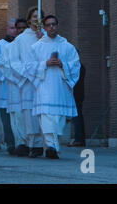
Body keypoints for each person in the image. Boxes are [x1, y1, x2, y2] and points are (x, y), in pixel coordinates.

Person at [27, 15, 80, 159]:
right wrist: (45, 64)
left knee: (57, 120)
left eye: (54, 24)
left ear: (58, 26)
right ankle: (52, 148)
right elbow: (29, 67)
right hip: (44, 88)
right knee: (46, 118)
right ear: (44, 28)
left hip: (60, 89)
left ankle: (52, 145)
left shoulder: (67, 46)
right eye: (48, 25)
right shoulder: (36, 47)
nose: (51, 27)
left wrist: (63, 65)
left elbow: (76, 65)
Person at [4, 8, 45, 158]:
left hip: (43, 81)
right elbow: (14, 61)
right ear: (29, 19)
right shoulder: (21, 39)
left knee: (43, 113)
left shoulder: (46, 37)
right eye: (34, 16)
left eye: (40, 17)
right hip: (28, 82)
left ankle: (46, 144)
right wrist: (27, 74)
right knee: (29, 115)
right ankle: (32, 144)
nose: (37, 19)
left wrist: (43, 40)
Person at [0, 19, 18, 154]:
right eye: (11, 28)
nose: (14, 30)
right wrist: (5, 74)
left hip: (19, 85)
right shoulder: (0, 45)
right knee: (6, 118)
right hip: (5, 85)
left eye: (16, 28)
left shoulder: (21, 44)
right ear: (7, 29)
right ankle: (10, 143)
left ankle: (21, 142)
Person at [68, 59, 86, 147]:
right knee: (78, 116)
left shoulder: (76, 67)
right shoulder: (80, 66)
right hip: (79, 94)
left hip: (75, 94)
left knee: (76, 117)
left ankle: (78, 139)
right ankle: (79, 139)